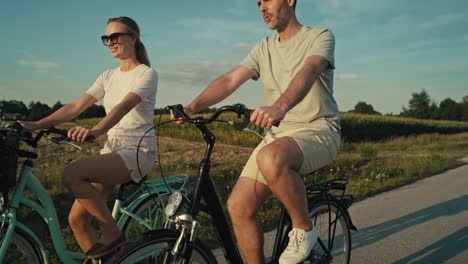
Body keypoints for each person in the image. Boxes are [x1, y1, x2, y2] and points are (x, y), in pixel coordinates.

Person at [171, 0, 340, 263]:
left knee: (271, 158)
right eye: (257, 2)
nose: (261, 7)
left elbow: (309, 70)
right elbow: (229, 80)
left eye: (267, 0)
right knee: (238, 207)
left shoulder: (319, 36)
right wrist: (192, 107)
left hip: (318, 129)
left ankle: (304, 230)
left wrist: (280, 107)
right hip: (278, 137)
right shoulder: (264, 47)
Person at [19, 16, 158, 260]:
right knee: (77, 220)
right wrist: (37, 124)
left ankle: (112, 231)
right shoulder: (107, 76)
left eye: (115, 36)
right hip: (112, 150)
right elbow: (76, 106)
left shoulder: (146, 74)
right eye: (106, 38)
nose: (110, 42)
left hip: (137, 150)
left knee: (72, 174)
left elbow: (124, 107)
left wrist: (96, 130)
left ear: (133, 37)